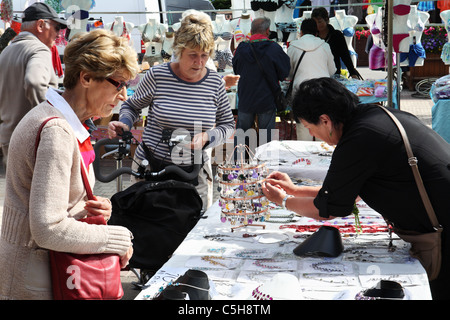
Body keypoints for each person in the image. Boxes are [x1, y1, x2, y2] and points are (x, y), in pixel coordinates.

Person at [262, 77, 450, 300]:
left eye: (309, 127)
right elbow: (347, 192)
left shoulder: (359, 139)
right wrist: (294, 189)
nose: (312, 134)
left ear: (325, 120)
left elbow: (329, 208)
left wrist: (283, 201)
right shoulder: (375, 117)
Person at [0, 29, 137, 300]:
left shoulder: (55, 119)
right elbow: (48, 228)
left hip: (41, 268)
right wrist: (118, 238)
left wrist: (92, 206)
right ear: (86, 78)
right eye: (118, 83)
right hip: (39, 277)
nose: (123, 95)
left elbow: (50, 205)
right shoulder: (57, 131)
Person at [108, 11, 235, 211]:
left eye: (204, 55)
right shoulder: (158, 76)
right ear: (179, 50)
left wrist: (208, 137)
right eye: (193, 55)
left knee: (191, 235)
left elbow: (227, 125)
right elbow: (132, 106)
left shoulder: (213, 83)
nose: (199, 62)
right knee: (145, 227)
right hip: (150, 168)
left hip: (193, 174)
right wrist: (125, 122)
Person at [0, 2, 67, 168]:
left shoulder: (7, 51)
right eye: (57, 28)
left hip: (9, 137)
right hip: (32, 139)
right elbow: (35, 83)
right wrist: (48, 121)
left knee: (18, 193)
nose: (58, 34)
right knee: (40, 192)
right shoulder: (39, 50)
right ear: (41, 25)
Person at [232, 17, 290, 156]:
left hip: (246, 97)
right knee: (266, 137)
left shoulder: (242, 48)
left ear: (251, 31)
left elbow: (236, 70)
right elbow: (284, 72)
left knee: (242, 134)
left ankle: (238, 166)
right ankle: (264, 166)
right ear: (267, 31)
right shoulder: (274, 48)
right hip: (267, 98)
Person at [287, 18, 336, 94]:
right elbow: (332, 70)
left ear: (301, 32)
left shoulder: (292, 47)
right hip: (322, 89)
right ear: (316, 33)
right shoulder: (324, 46)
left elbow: (289, 73)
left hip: (300, 90)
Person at [311, 7, 362, 79]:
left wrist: (352, 72)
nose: (317, 25)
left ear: (326, 20)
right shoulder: (312, 36)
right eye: (315, 22)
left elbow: (345, 55)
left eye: (319, 22)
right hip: (316, 74)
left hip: (334, 74)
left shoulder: (336, 35)